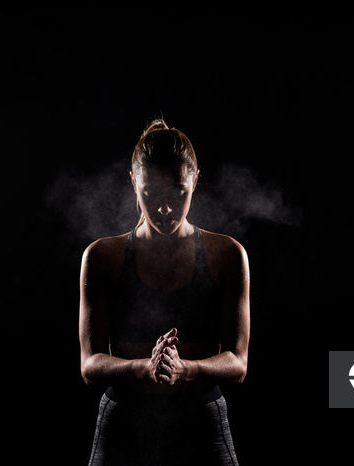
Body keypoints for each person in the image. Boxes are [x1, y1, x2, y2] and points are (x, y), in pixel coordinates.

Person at [79, 119, 250, 465]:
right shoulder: (101, 257)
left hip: (200, 420)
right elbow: (89, 364)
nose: (165, 208)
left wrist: (185, 369)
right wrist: (144, 368)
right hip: (124, 423)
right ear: (133, 183)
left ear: (195, 180)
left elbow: (238, 362)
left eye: (177, 192)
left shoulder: (227, 255)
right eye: (151, 194)